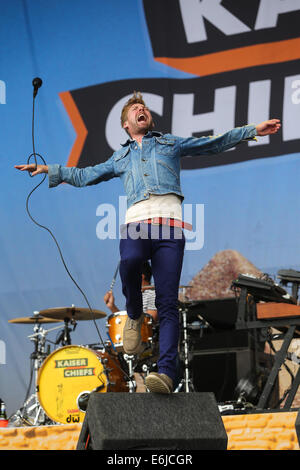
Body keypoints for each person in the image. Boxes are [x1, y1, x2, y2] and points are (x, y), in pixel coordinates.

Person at [15, 91, 281, 394]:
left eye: (144, 108)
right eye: (135, 109)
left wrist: (252, 131)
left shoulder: (170, 143)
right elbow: (86, 174)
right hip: (137, 223)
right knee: (129, 261)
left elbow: (213, 143)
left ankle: (166, 374)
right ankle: (134, 313)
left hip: (171, 228)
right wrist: (49, 169)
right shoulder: (120, 156)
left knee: (167, 303)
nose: (142, 109)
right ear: (126, 125)